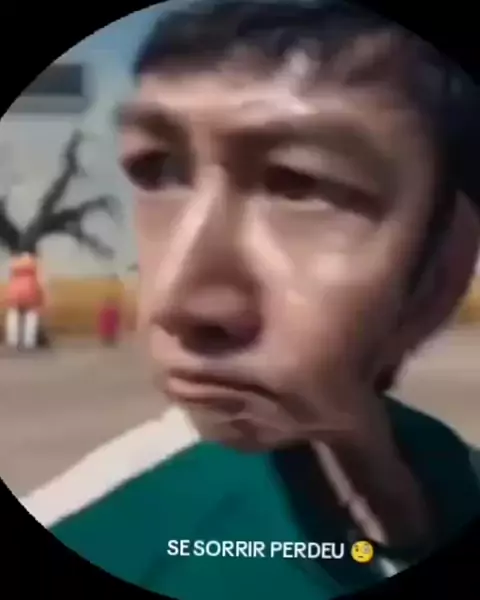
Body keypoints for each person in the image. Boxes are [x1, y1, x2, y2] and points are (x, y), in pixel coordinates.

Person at [21, 1, 480, 598]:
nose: (176, 303)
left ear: (445, 266)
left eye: (298, 183)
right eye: (155, 170)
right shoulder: (104, 540)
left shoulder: (453, 470)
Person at [5, 253, 44, 350]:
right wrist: (42, 295)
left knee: (13, 316)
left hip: (15, 291)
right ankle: (29, 342)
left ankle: (13, 341)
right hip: (30, 290)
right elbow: (39, 280)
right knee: (31, 316)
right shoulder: (34, 263)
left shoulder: (14, 262)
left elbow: (11, 278)